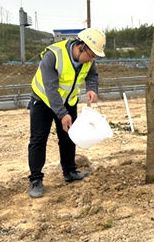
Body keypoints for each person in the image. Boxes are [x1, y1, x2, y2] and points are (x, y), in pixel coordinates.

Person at [27, 28, 106, 198]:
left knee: (68, 136)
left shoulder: (88, 60)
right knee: (38, 139)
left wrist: (92, 88)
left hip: (68, 101)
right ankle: (35, 180)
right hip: (43, 100)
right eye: (90, 56)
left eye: (94, 58)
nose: (91, 61)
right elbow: (50, 89)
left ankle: (70, 171)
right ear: (80, 47)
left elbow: (92, 75)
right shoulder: (53, 56)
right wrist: (62, 114)